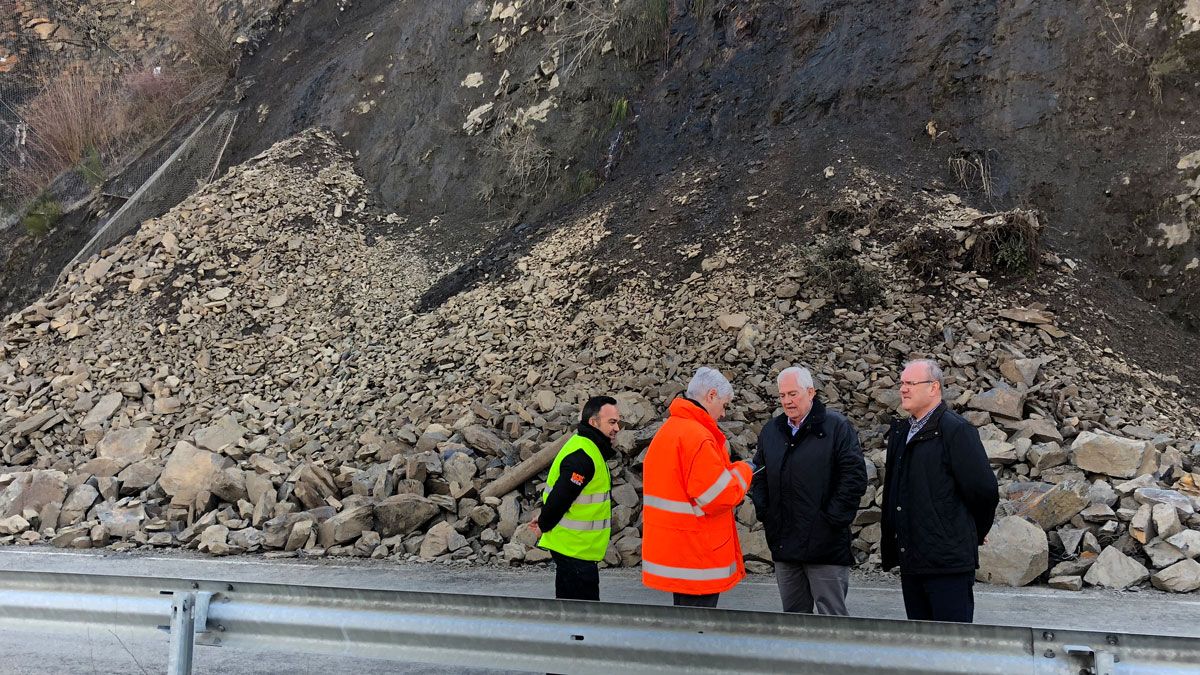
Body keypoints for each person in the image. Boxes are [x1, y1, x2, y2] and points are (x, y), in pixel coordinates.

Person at [881, 359, 999, 623]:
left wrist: (973, 532)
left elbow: (984, 491)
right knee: (922, 647)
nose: (903, 389)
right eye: (902, 383)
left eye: (910, 383)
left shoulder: (956, 431)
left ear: (934, 388)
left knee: (951, 647)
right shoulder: (902, 433)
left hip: (948, 564)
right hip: (913, 561)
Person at [749, 366, 867, 615]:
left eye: (793, 394)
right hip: (785, 544)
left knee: (832, 620)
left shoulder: (837, 428)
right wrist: (766, 513)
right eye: (782, 396)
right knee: (793, 621)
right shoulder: (772, 431)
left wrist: (832, 520)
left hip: (825, 546)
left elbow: (853, 478)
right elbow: (758, 475)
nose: (787, 401)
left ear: (810, 392)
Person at [641, 367, 754, 608]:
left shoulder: (668, 431)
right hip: (697, 556)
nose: (723, 414)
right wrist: (744, 470)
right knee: (697, 631)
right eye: (724, 405)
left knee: (683, 628)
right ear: (711, 395)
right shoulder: (698, 436)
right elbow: (719, 496)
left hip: (676, 552)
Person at [531, 396, 621, 601]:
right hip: (574, 551)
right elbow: (560, 498)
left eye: (617, 422)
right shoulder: (583, 456)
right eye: (612, 422)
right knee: (582, 618)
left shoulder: (587, 447)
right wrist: (544, 524)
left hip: (578, 550)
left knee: (573, 615)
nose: (617, 428)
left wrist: (544, 520)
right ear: (593, 422)